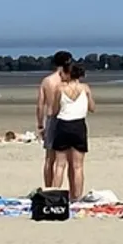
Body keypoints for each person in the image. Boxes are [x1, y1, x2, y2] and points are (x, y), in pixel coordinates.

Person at [50, 63, 95, 201]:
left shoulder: (60, 89)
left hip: (63, 125)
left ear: (69, 74)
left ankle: (54, 195)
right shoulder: (85, 88)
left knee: (60, 165)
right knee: (78, 166)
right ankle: (77, 197)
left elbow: (55, 110)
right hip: (78, 126)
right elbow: (92, 108)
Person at [38, 50, 73, 188]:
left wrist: (40, 124)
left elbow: (40, 105)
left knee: (49, 159)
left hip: (52, 118)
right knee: (69, 160)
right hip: (68, 118)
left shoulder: (47, 81)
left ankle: (48, 188)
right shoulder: (69, 80)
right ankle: (72, 192)